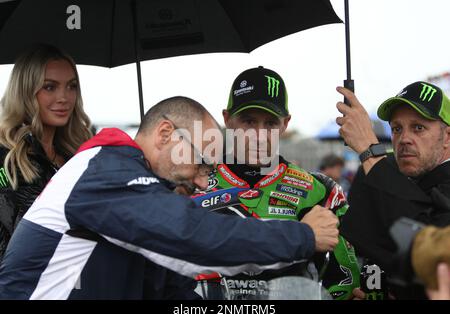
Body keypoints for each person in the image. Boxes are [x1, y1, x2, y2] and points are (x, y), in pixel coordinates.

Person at [0, 96, 339, 299]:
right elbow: (193, 235)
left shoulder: (119, 176)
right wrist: (303, 235)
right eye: (201, 159)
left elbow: (170, 285)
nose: (203, 180)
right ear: (166, 134)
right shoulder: (105, 170)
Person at [192, 67, 360, 300]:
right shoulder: (192, 185)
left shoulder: (320, 190)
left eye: (270, 123)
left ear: (285, 124)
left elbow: (345, 281)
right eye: (249, 121)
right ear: (227, 119)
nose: (259, 135)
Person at [336, 81, 450, 298]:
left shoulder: (381, 170)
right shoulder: (388, 175)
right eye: (397, 128)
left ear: (447, 137)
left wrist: (370, 150)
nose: (404, 139)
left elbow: (426, 248)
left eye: (418, 127)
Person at [0, 44, 92, 259]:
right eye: (50, 87)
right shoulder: (6, 158)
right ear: (25, 92)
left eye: (72, 86)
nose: (64, 97)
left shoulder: (81, 155)